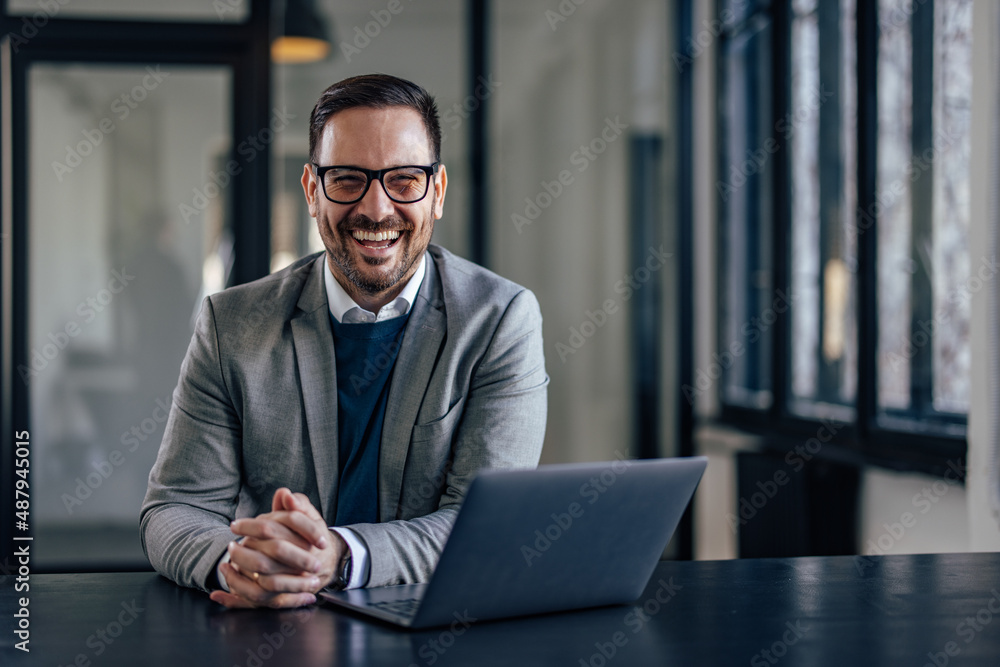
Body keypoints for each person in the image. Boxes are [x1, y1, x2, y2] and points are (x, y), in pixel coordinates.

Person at [140, 74, 548, 609]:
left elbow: (486, 528)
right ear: (312, 191)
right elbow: (174, 509)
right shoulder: (230, 323)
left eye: (403, 180)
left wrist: (338, 553)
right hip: (273, 631)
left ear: (438, 192)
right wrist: (238, 564)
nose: (376, 210)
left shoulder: (499, 321)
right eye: (348, 179)